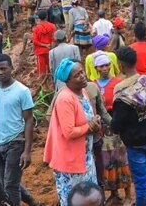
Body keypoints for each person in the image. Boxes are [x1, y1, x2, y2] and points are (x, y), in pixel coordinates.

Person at [44, 60, 101, 206]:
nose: (82, 76)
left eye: (82, 72)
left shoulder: (83, 92)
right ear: (67, 81)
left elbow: (86, 117)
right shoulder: (65, 99)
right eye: (77, 75)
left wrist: (95, 121)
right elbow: (69, 132)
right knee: (74, 200)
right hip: (70, 161)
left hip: (85, 157)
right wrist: (90, 127)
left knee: (88, 199)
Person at [0, 54, 37, 206]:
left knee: (11, 185)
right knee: (1, 182)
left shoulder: (22, 91)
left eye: (3, 69)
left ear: (11, 68)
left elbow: (28, 121)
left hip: (16, 141)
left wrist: (27, 151)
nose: (0, 72)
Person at [110, 47, 146, 206]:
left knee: (140, 185)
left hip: (135, 145)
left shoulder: (121, 92)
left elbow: (116, 125)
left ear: (121, 65)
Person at [91, 52, 132, 203]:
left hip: (116, 129)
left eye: (107, 65)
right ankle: (114, 193)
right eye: (101, 66)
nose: (105, 68)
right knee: (106, 161)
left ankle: (128, 195)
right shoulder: (92, 85)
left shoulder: (117, 83)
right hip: (101, 131)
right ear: (96, 68)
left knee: (121, 159)